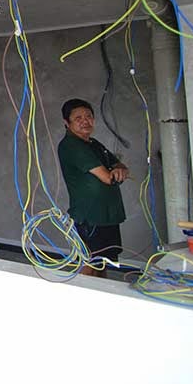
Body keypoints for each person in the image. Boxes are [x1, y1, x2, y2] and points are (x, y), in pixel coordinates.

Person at [57, 98, 129, 278]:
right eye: (78, 118)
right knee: (90, 263)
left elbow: (118, 165)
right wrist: (116, 173)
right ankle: (81, 294)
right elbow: (107, 177)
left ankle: (100, 293)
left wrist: (120, 168)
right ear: (67, 123)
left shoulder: (93, 143)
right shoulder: (71, 145)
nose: (85, 121)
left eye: (89, 116)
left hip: (106, 215)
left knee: (102, 263)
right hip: (90, 216)